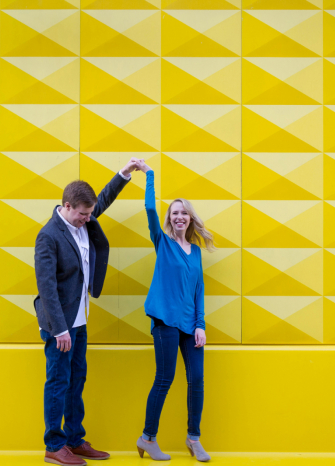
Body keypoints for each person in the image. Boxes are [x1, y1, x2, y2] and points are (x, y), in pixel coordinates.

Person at [34, 158, 140, 466]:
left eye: (89, 213)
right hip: (60, 326)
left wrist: (124, 173)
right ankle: (54, 445)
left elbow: (102, 199)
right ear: (67, 206)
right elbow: (47, 287)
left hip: (79, 320)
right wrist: (59, 329)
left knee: (76, 379)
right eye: (83, 214)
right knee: (58, 381)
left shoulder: (84, 217)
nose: (87, 219)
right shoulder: (49, 236)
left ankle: (74, 439)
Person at [134, 160, 215, 462]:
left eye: (184, 212)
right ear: (170, 218)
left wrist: (200, 324)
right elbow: (150, 210)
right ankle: (148, 437)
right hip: (165, 322)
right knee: (164, 378)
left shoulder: (195, 253)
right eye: (175, 212)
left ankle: (193, 439)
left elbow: (199, 291)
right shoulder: (163, 243)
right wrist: (149, 175)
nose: (179, 216)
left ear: (191, 218)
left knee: (197, 379)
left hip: (189, 326)